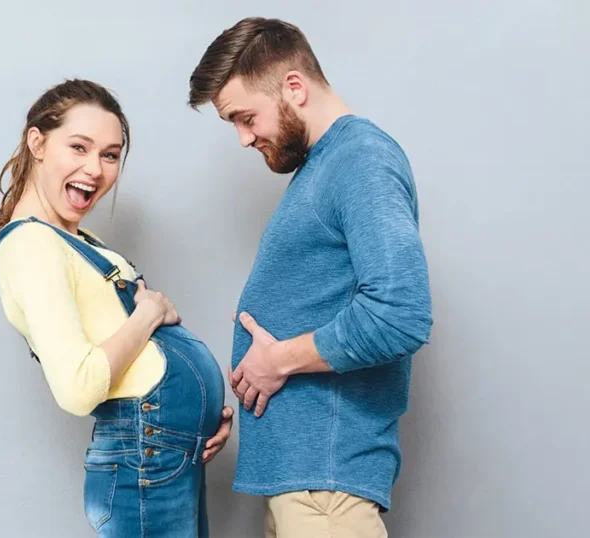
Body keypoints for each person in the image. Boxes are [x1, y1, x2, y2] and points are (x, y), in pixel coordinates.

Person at [187, 17, 434, 538]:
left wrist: (277, 359)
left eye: (246, 117)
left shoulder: (360, 160)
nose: (243, 138)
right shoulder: (323, 166)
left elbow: (400, 314)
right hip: (306, 486)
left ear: (294, 87)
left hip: (326, 490)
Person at [0, 78, 231, 537]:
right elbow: (78, 388)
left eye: (110, 155)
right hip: (143, 458)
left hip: (164, 454)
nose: (94, 169)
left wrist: (198, 419)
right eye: (78, 147)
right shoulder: (31, 244)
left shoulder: (79, 241)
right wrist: (148, 315)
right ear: (37, 143)